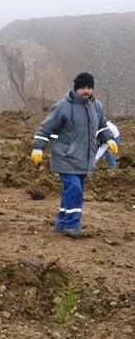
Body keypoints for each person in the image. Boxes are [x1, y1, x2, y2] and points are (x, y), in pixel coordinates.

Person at [31, 72, 118, 238]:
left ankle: (63, 221)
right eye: (82, 88)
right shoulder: (63, 106)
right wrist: (38, 147)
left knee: (72, 190)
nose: (86, 91)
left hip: (84, 158)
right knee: (75, 189)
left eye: (89, 88)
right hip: (65, 156)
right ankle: (72, 224)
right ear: (76, 88)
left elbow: (101, 126)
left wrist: (109, 138)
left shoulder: (96, 105)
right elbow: (45, 128)